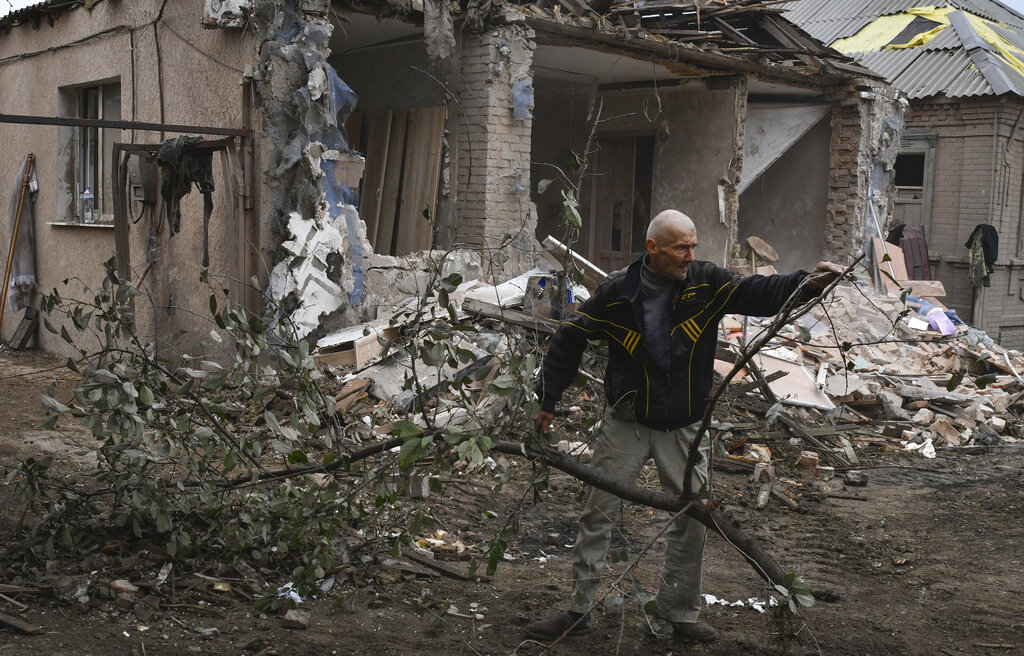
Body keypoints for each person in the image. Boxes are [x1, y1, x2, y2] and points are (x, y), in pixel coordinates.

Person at [525, 209, 844, 643]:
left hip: (685, 428)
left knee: (692, 521)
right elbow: (570, 337)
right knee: (598, 513)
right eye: (681, 248)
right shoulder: (617, 293)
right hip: (627, 422)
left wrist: (807, 284)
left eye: (693, 246)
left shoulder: (706, 284)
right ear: (653, 248)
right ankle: (579, 610)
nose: (690, 256)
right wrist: (548, 399)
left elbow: (758, 293)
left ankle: (678, 613)